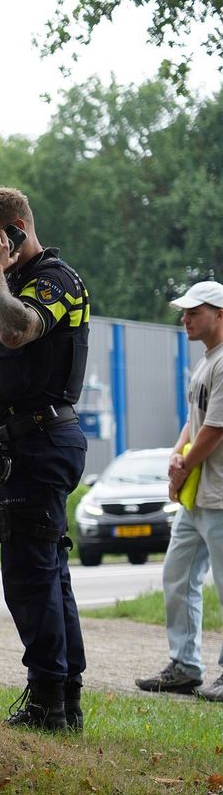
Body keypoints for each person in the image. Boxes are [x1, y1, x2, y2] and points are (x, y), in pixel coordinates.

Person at [0, 187, 90, 731]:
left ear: (17, 227)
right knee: (47, 575)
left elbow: (17, 331)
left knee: (30, 578)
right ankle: (62, 699)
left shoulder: (57, 280)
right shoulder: (17, 283)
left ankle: (48, 702)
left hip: (45, 442)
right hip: (26, 445)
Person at [136, 281, 223, 701]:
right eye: (184, 312)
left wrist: (184, 466)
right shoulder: (206, 362)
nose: (185, 319)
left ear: (220, 314)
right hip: (198, 496)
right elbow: (196, 419)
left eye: (195, 311)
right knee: (178, 575)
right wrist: (176, 455)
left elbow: (217, 429)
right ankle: (185, 667)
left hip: (220, 495)